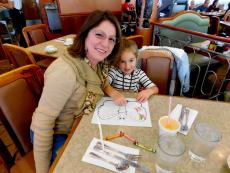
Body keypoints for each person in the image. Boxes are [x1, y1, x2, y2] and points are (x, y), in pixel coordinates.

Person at [30, 10, 126, 173]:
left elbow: (101, 82)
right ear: (85, 34)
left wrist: (112, 91)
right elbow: (43, 125)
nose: (105, 44)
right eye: (99, 35)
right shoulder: (65, 72)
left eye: (111, 39)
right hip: (55, 134)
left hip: (79, 125)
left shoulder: (97, 61)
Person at [108, 38, 159, 103]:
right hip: (115, 103)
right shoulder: (114, 71)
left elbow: (155, 88)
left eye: (131, 60)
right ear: (117, 61)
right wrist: (114, 94)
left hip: (133, 104)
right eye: (122, 61)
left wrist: (148, 92)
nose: (127, 66)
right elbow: (104, 85)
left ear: (136, 58)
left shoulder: (139, 74)